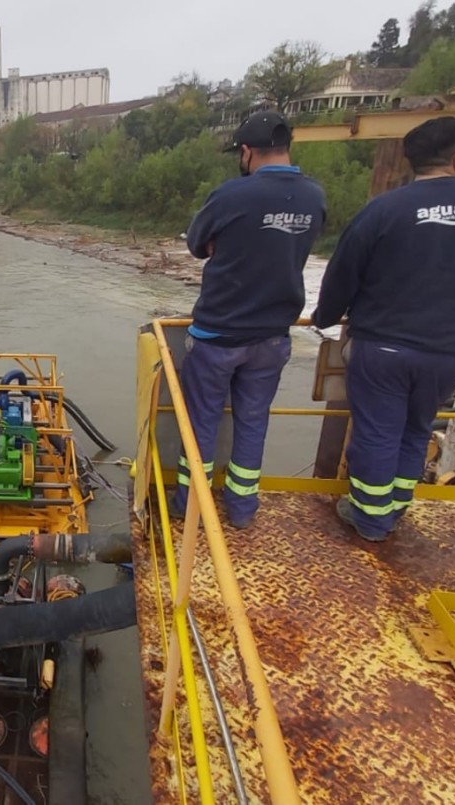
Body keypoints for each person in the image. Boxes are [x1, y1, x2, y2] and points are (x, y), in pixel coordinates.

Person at [312, 116, 455, 542]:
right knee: (417, 427)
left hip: (386, 347)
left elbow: (343, 273)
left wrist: (325, 317)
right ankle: (397, 506)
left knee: (378, 430)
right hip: (454, 349)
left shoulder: (385, 209)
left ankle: (370, 518)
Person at [177, 110, 326, 529]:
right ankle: (242, 509)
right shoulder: (314, 196)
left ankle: (191, 507)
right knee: (253, 421)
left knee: (201, 423)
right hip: (273, 335)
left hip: (218, 334)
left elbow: (197, 244)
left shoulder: (231, 195)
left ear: (246, 152)